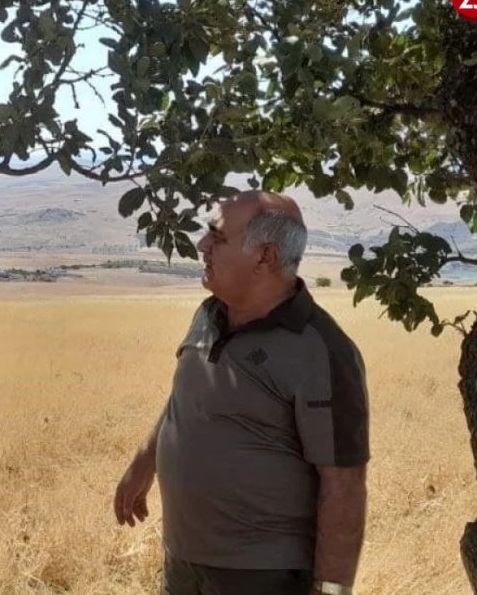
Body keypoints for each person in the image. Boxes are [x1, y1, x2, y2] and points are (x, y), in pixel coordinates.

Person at [114, 191, 369, 595]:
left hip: (259, 576)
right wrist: (144, 463)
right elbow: (188, 395)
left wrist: (331, 591)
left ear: (264, 257)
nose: (202, 246)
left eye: (216, 237)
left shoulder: (322, 351)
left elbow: (344, 484)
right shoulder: (209, 314)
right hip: (183, 560)